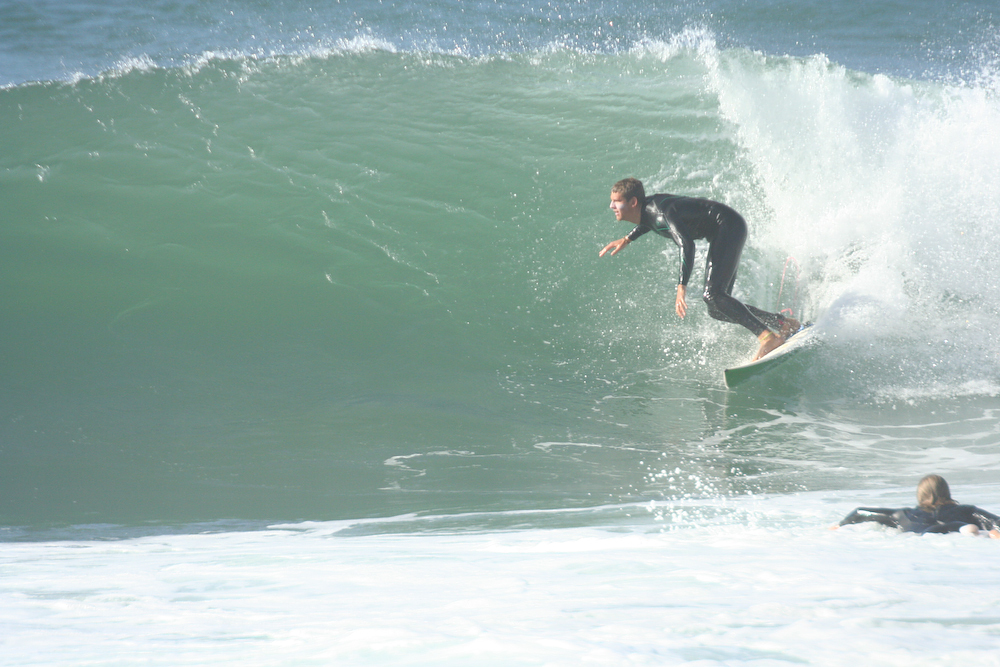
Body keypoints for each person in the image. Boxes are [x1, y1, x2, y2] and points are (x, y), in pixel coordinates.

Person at [599, 178, 799, 361]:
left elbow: (686, 244)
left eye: (616, 201)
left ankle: (768, 338)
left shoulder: (659, 213)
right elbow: (649, 222)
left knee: (713, 295)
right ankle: (783, 323)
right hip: (723, 230)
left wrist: (681, 286)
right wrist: (627, 239)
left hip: (728, 225)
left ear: (633, 202)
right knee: (717, 309)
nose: (611, 206)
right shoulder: (648, 210)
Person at [833, 474, 1000, 537]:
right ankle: (971, 531)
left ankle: (967, 530)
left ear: (920, 496)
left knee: (951, 530)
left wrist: (838, 526)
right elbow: (996, 523)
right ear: (947, 493)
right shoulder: (967, 510)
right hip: (958, 526)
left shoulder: (902, 515)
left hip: (922, 534)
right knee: (971, 529)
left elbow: (860, 512)